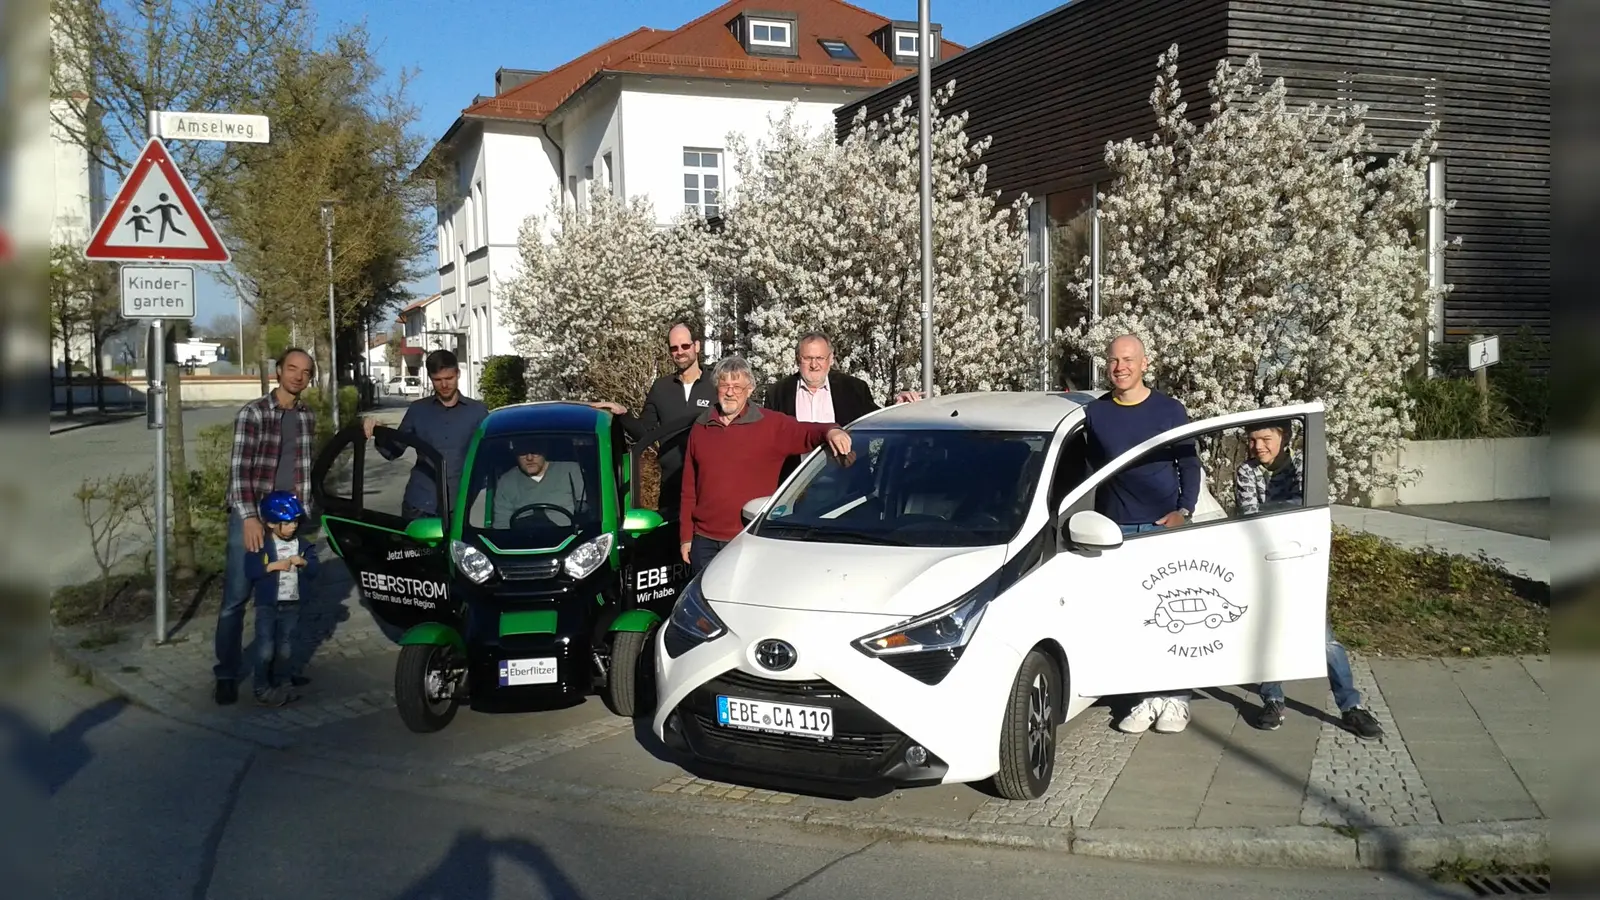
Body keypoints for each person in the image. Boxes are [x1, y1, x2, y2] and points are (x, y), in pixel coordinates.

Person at [1083, 334, 1202, 736]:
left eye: (1129, 360)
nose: (1121, 367)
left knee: (1170, 612)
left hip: (1160, 526)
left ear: (1145, 364)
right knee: (1133, 616)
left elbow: (1189, 463)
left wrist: (1184, 511)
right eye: (1114, 360)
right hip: (1114, 527)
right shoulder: (1095, 413)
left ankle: (1176, 697)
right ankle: (1143, 697)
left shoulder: (1169, 409)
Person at [1235, 421, 1384, 740]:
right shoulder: (1246, 472)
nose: (1258, 446)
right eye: (1252, 440)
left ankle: (1351, 707)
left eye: (1266, 439)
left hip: (1303, 564)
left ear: (1284, 438)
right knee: (1267, 635)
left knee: (1325, 640)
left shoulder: (1304, 466)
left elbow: (1310, 511)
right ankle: (1273, 699)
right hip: (1265, 565)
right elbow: (1250, 516)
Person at [680, 356, 851, 573]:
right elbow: (688, 488)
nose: (730, 392)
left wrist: (831, 430)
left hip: (750, 539)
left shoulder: (770, 425)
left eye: (737, 386)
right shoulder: (701, 426)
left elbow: (808, 431)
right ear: (717, 388)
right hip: (704, 541)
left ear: (750, 390)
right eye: (725, 385)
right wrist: (686, 537)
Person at [215, 348, 317, 706]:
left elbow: (304, 468)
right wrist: (249, 518)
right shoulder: (254, 414)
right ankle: (226, 674)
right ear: (278, 372)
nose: (298, 376)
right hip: (253, 517)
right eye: (292, 369)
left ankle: (278, 669)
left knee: (283, 597)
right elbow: (239, 471)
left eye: (305, 372)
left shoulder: (307, 417)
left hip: (288, 522)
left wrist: (302, 517)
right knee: (237, 598)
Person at [591, 323, 717, 520]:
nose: (680, 352)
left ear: (697, 346)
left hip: (709, 484)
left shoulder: (715, 385)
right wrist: (623, 414)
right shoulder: (661, 388)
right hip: (671, 486)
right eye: (674, 348)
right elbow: (645, 433)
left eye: (685, 346)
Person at [763, 331, 920, 480]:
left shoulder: (853, 389)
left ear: (830, 359)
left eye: (820, 358)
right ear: (798, 359)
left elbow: (874, 421)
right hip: (795, 488)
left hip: (845, 486)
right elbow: (770, 440)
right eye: (808, 358)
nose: (814, 365)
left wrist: (897, 407)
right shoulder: (778, 393)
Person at [361, 349, 488, 519]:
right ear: (430, 378)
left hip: (458, 507)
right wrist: (379, 431)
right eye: (438, 380)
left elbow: (491, 457)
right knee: (416, 547)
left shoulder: (478, 412)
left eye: (449, 378)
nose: (444, 385)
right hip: (419, 504)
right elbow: (392, 451)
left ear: (458, 374)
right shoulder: (418, 410)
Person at [244, 491, 319, 707]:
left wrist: (304, 563)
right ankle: (261, 686)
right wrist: (273, 566)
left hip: (291, 604)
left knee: (286, 648)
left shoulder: (303, 545)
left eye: (295, 522)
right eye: (286, 523)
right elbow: (251, 570)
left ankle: (283, 680)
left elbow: (314, 571)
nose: (292, 527)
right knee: (266, 649)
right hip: (267, 605)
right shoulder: (262, 546)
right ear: (270, 523)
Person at [491, 436, 587, 529]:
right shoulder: (507, 480)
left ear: (544, 449)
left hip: (566, 538)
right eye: (523, 452)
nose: (529, 458)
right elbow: (501, 524)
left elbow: (585, 509)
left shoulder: (571, 470)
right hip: (522, 539)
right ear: (515, 453)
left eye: (534, 451)